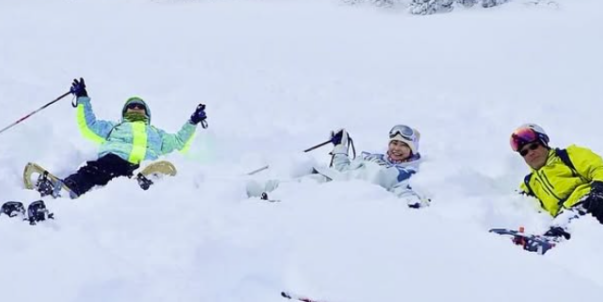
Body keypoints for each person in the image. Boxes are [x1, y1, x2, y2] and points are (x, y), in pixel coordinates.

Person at [34, 77, 207, 199]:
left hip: (142, 164)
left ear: (146, 113)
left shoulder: (157, 133)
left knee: (147, 170)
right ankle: (68, 187)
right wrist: (82, 98)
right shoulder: (113, 127)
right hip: (113, 161)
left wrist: (193, 122)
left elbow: (178, 142)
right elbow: (89, 125)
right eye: (132, 106)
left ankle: (143, 183)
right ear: (125, 112)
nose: (136, 108)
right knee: (91, 171)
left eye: (140, 106)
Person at [250, 124, 428, 208]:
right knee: (280, 184)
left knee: (293, 192)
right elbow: (343, 167)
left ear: (412, 149)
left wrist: (413, 202)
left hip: (340, 192)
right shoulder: (372, 157)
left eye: (403, 145)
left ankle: (270, 204)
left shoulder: (405, 172)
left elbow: (402, 190)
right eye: (394, 143)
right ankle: (244, 189)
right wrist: (340, 146)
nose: (397, 148)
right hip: (327, 177)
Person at [510, 124, 603, 227]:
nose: (530, 153)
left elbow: (600, 169)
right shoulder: (529, 185)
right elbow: (517, 208)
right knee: (559, 227)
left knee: (561, 227)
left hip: (597, 202)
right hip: (567, 218)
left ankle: (555, 237)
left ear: (544, 143)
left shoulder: (568, 156)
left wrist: (601, 190)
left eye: (534, 146)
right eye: (524, 152)